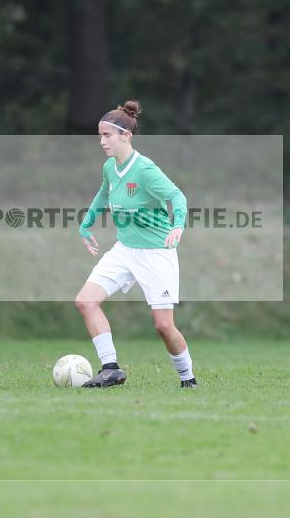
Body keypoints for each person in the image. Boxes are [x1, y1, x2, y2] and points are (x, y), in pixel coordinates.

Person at [74, 100, 196, 388]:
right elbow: (103, 195)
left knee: (163, 326)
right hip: (124, 250)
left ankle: (188, 379)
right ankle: (111, 369)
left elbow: (177, 197)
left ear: (125, 136)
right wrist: (86, 224)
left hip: (156, 253)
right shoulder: (109, 167)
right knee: (85, 301)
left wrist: (178, 224)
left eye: (107, 135)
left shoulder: (145, 170)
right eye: (99, 135)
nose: (101, 141)